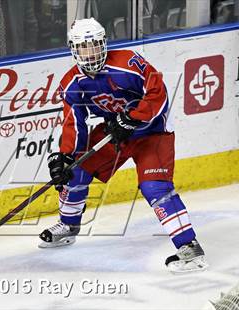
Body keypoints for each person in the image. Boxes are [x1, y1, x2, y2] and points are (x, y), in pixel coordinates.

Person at [38, 18, 208, 274]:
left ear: (104, 44)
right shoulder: (72, 83)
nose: (90, 53)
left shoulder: (128, 62)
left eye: (95, 45)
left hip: (154, 133)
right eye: (84, 48)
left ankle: (189, 248)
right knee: (75, 168)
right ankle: (69, 226)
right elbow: (75, 124)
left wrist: (134, 118)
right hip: (116, 133)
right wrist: (66, 157)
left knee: (155, 188)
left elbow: (158, 92)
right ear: (74, 50)